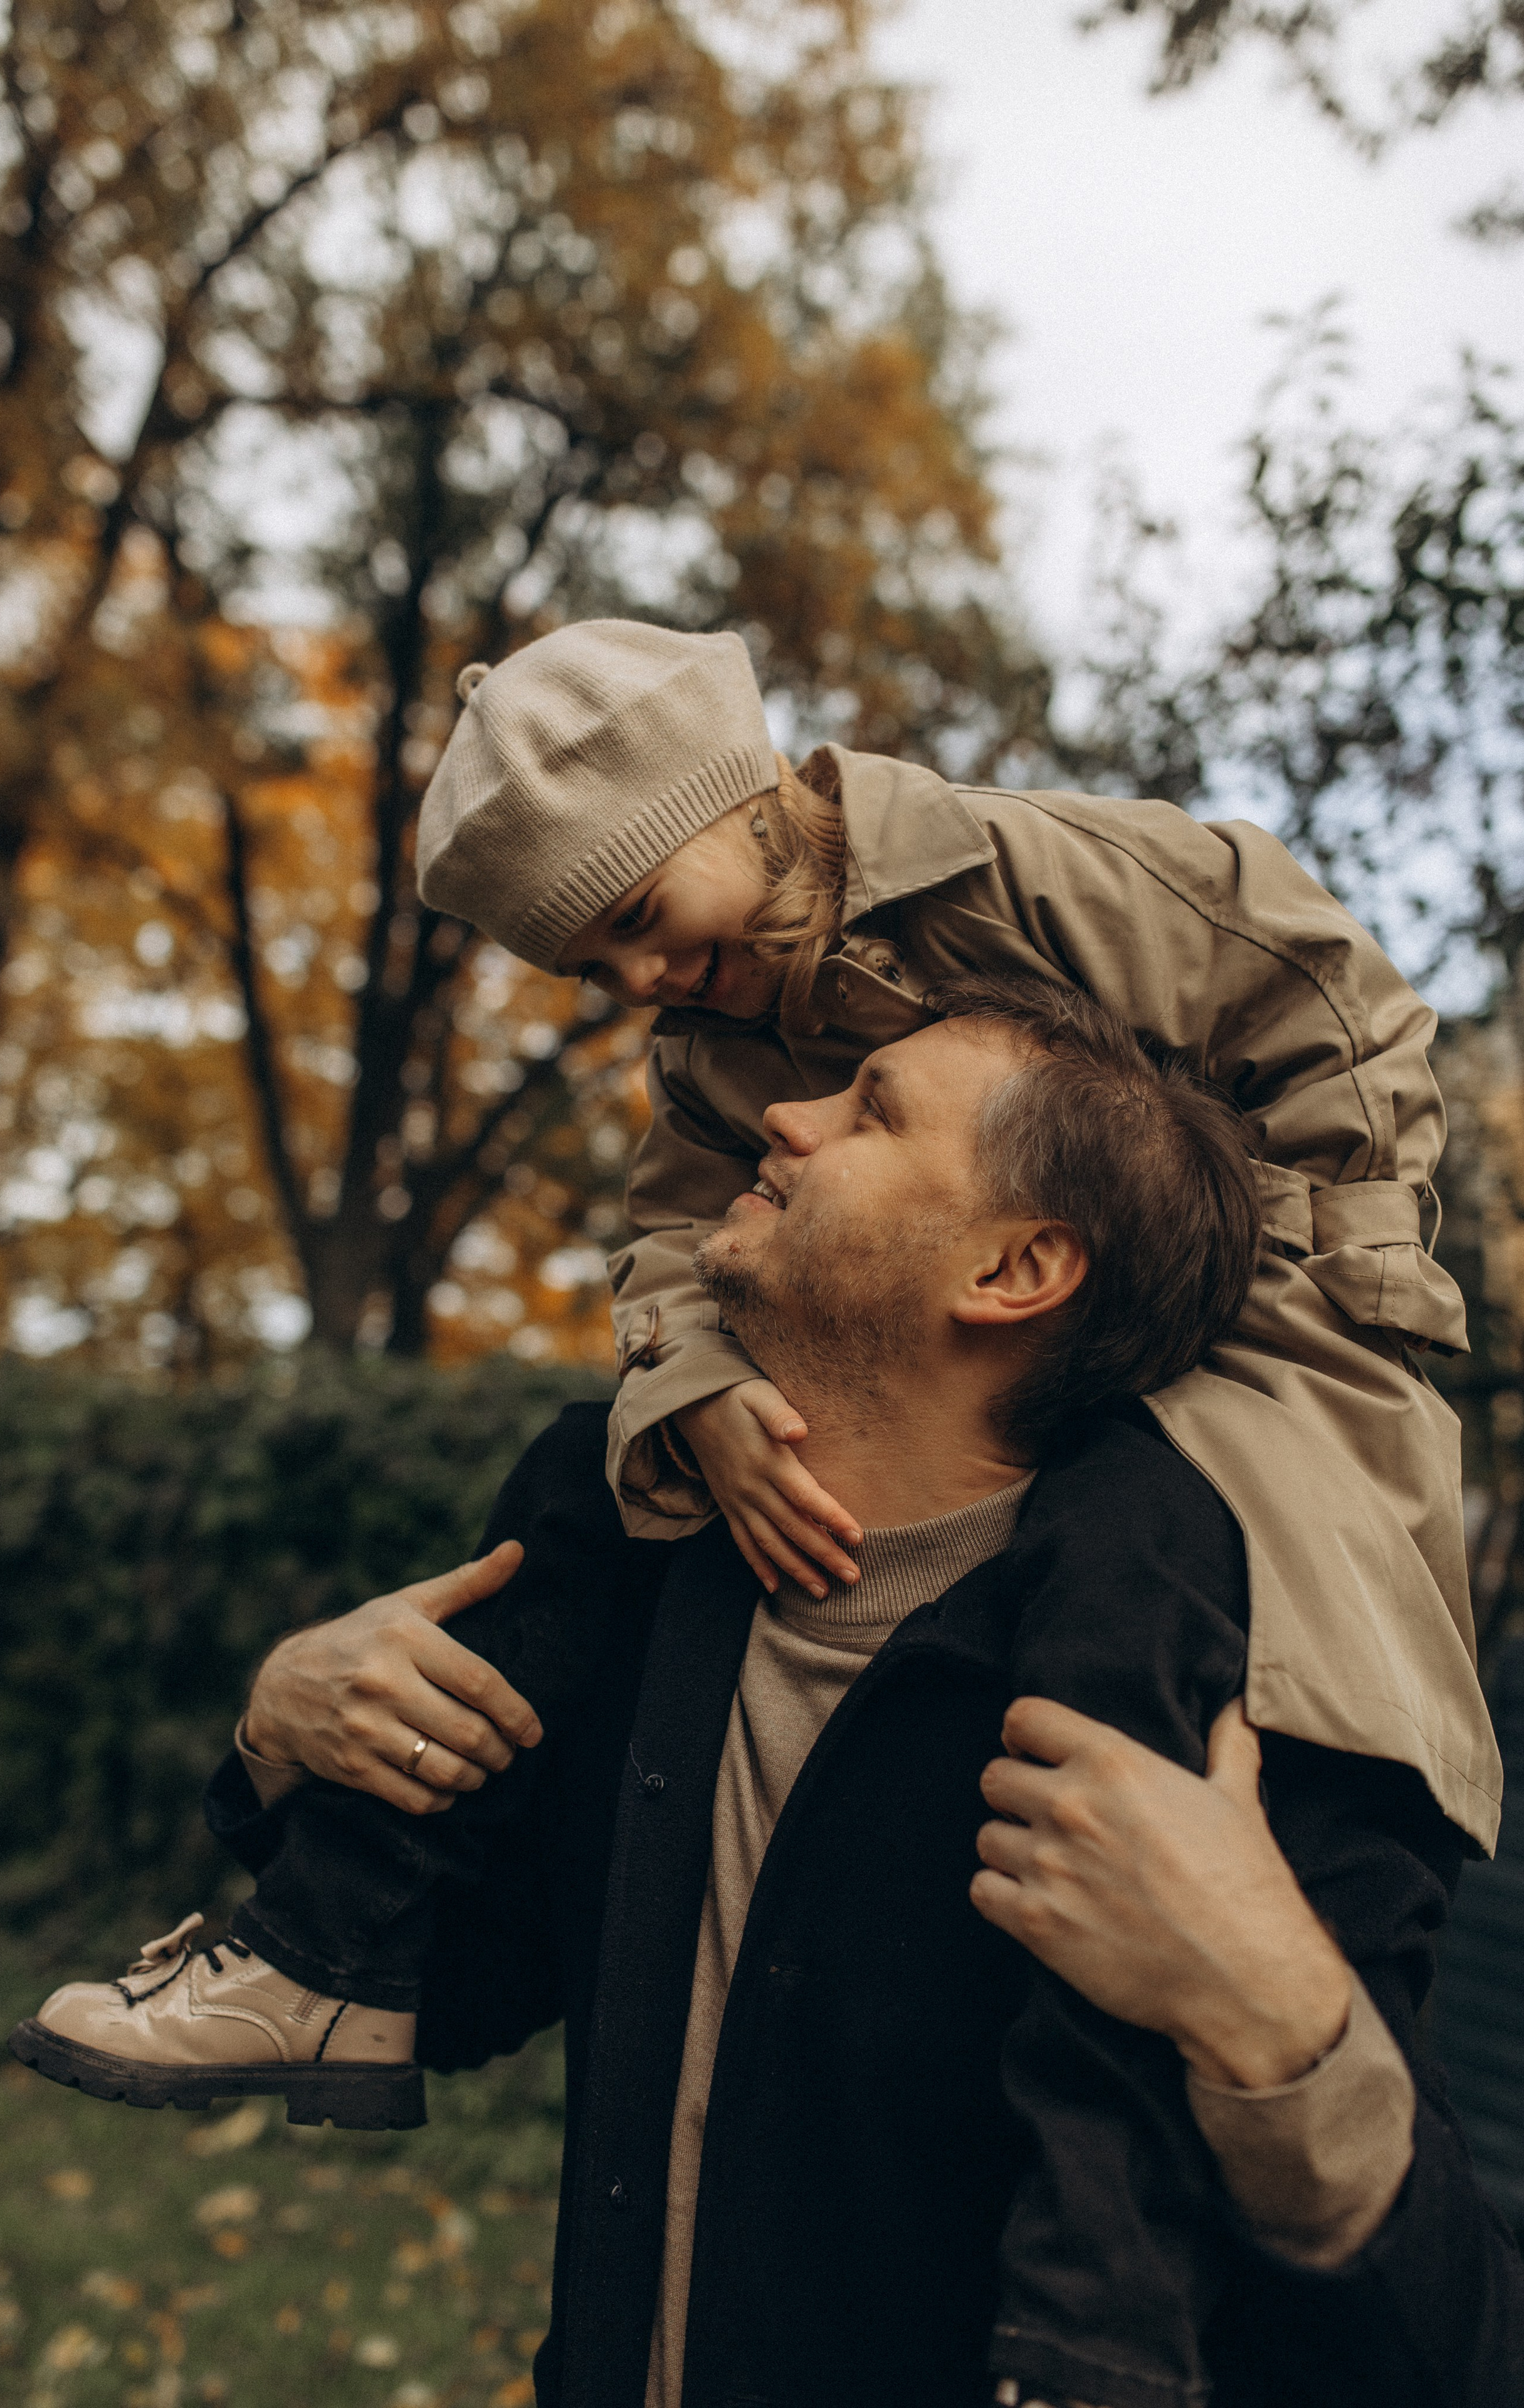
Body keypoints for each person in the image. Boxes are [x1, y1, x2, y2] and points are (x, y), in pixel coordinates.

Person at [12, 986, 1522, 2407]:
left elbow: (1451, 2351)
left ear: (1012, 1270)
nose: (784, 1122)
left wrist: (1277, 2013)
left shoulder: (1209, 1719)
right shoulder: (649, 1583)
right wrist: (280, 1739)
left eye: (869, 1111)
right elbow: (466, 1987)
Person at [412, 617, 1499, 1859]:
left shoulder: (1009, 869)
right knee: (622, 1479)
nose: (639, 976)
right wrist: (699, 1385)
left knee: (1252, 1567)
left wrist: (1348, 1256)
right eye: (592, 969)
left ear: (733, 801)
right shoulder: (710, 1050)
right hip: (1006, 1351)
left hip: (1253, 1284)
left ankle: (1282, 1870)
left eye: (637, 914)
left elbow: (1317, 993)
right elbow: (674, 1229)